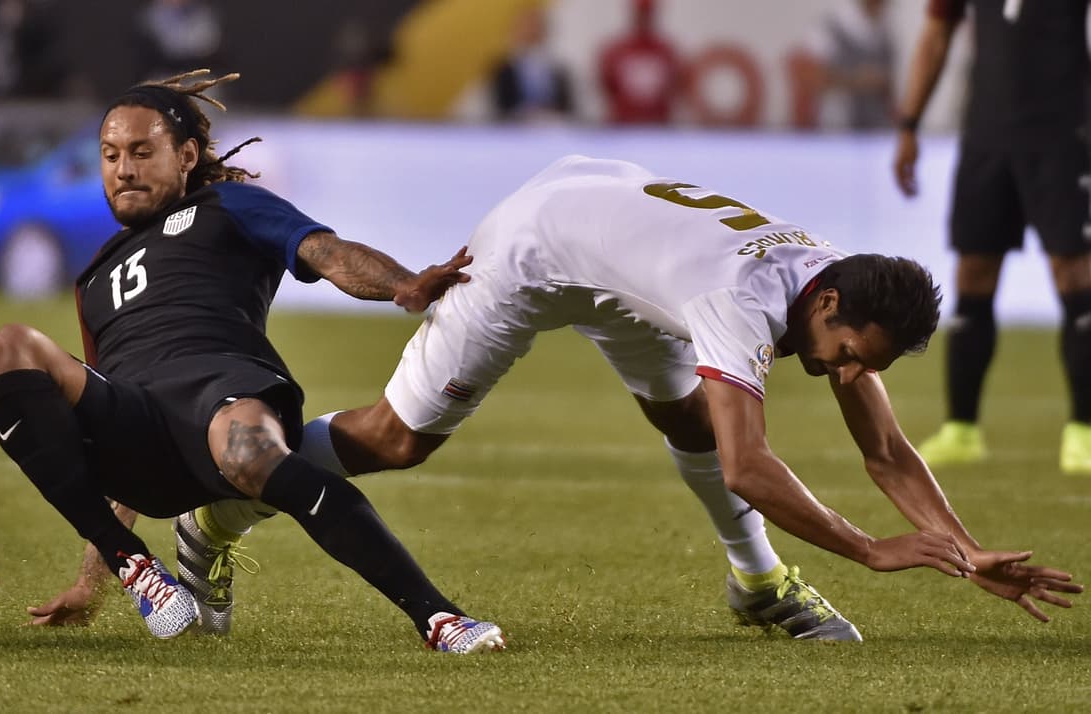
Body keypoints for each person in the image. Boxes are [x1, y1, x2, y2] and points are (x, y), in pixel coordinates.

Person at [282, 155, 1078, 634]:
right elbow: (750, 468)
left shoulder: (837, 282)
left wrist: (968, 554)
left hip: (618, 240)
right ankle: (249, 475)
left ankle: (759, 584)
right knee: (398, 441)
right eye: (845, 357)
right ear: (829, 306)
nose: (843, 374)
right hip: (539, 245)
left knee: (691, 418)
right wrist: (870, 550)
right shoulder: (742, 299)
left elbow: (887, 452)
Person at [0, 69, 504, 653]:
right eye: (110, 154)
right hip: (140, 432)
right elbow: (108, 397)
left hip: (221, 395)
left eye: (141, 152)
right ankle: (134, 565)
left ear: (185, 155)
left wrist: (403, 284)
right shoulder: (92, 277)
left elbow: (326, 252)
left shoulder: (229, 204)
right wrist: (88, 583)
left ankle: (440, 619)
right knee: (7, 347)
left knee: (245, 446)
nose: (123, 169)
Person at [894, 0, 1091, 475]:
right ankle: (962, 428)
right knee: (973, 272)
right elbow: (936, 32)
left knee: (1074, 272)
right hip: (986, 133)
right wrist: (909, 124)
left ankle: (1084, 430)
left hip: (1063, 132)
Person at [800, 0, 895, 131]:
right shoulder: (829, 27)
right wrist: (857, 81)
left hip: (876, 128)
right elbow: (811, 78)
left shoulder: (885, 32)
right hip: (838, 127)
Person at [597, 0, 684, 125]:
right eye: (640, 13)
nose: (643, 18)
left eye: (647, 13)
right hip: (622, 125)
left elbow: (675, 85)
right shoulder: (616, 51)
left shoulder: (666, 51)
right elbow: (607, 85)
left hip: (657, 126)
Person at [489, 6, 574, 123]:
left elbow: (568, 106)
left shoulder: (557, 69)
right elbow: (500, 106)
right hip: (514, 128)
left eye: (535, 27)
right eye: (526, 27)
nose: (531, 32)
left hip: (553, 126)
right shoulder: (503, 69)